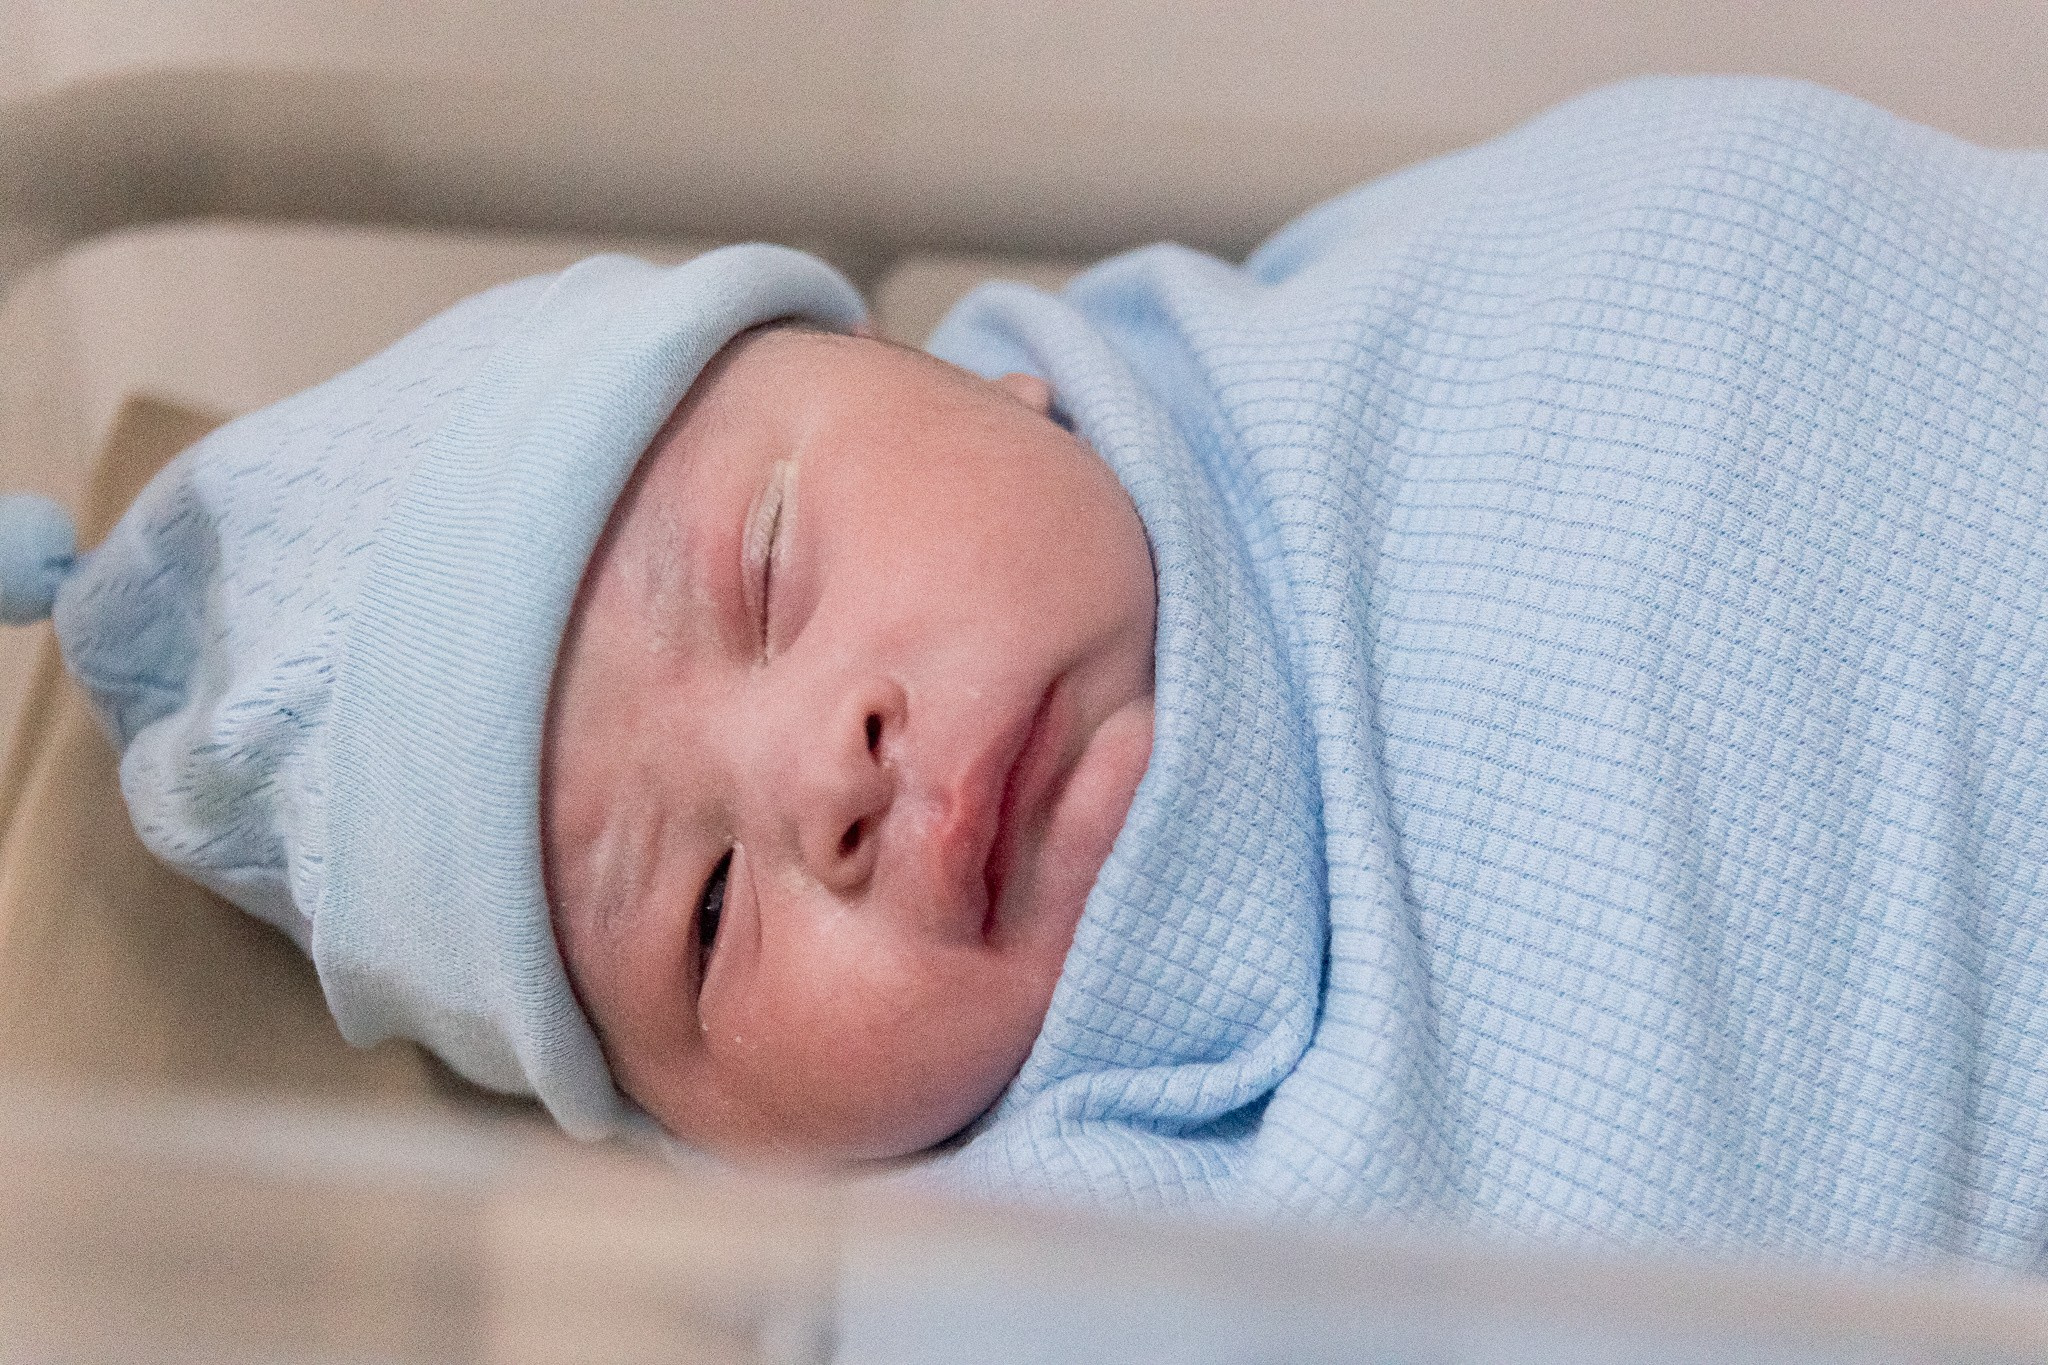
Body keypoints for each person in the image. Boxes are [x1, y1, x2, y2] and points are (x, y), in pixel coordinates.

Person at [4, 74, 2046, 1267]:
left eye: (771, 568)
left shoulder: (1354, 377)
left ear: (983, 384)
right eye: (709, 917)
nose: (830, 774)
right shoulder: (1077, 1266)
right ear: (736, 1151)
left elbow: (1769, 235)